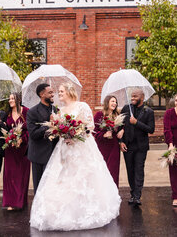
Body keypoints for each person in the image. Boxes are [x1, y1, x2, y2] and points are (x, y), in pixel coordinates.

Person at [30, 83, 121, 231]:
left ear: (69, 92)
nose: (58, 94)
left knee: (84, 176)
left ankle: (85, 210)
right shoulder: (59, 110)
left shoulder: (82, 106)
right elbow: (57, 130)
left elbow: (89, 126)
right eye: (58, 92)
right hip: (64, 148)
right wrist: (59, 129)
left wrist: (75, 135)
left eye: (61, 91)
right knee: (64, 177)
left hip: (82, 147)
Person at [120, 88, 155, 206]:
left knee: (139, 170)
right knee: (130, 170)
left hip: (141, 147)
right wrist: (121, 141)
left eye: (135, 96)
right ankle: (132, 193)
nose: (133, 98)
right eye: (132, 96)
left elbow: (151, 129)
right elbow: (120, 126)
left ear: (142, 97)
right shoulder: (126, 109)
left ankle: (137, 195)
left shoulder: (148, 111)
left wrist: (137, 123)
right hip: (127, 146)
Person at [27, 83, 58, 193]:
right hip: (38, 155)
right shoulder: (32, 112)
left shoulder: (56, 110)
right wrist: (49, 124)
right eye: (50, 93)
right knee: (40, 187)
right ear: (41, 94)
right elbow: (33, 134)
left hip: (53, 154)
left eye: (53, 92)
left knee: (51, 187)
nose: (52, 94)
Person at [2, 92, 30, 210]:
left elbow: (29, 130)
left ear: (18, 100)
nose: (10, 101)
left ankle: (20, 202)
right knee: (10, 175)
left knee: (21, 175)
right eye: (9, 98)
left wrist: (22, 140)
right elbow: (4, 129)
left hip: (22, 149)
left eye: (12, 98)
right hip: (10, 149)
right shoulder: (7, 114)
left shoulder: (26, 112)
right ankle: (10, 202)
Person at [94, 95, 124, 187]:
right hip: (102, 146)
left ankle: (113, 192)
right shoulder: (99, 115)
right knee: (102, 169)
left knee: (113, 170)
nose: (114, 103)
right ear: (107, 103)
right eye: (112, 101)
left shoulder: (117, 116)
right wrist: (103, 135)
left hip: (114, 146)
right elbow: (94, 132)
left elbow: (123, 126)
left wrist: (123, 130)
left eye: (115, 102)